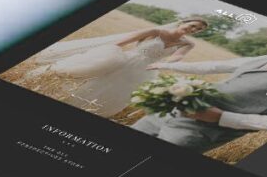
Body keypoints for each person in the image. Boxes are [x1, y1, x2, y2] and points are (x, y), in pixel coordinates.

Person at [131, 26, 267, 155]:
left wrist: (222, 117)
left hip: (196, 133)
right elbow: (216, 66)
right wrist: (167, 65)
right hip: (166, 115)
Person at [24, 16, 207, 115]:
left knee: (118, 92)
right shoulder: (156, 31)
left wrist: (165, 63)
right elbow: (122, 42)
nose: (193, 30)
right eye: (193, 25)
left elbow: (177, 57)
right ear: (184, 21)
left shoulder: (188, 44)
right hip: (128, 60)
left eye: (197, 29)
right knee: (98, 80)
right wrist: (106, 55)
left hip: (147, 69)